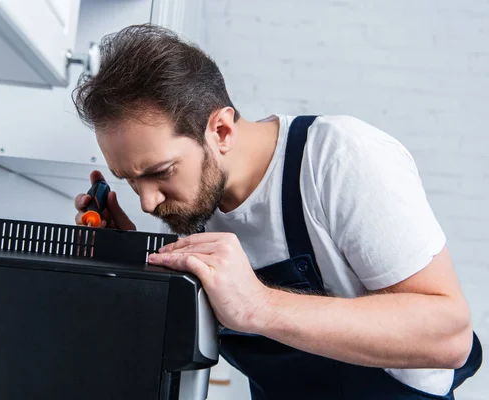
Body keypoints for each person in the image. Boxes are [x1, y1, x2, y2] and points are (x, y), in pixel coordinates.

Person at [71, 24, 482, 399]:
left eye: (160, 172)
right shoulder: (195, 203)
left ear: (221, 132)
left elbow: (450, 335)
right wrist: (131, 264)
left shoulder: (338, 159)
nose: (147, 202)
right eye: (128, 178)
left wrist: (260, 306)